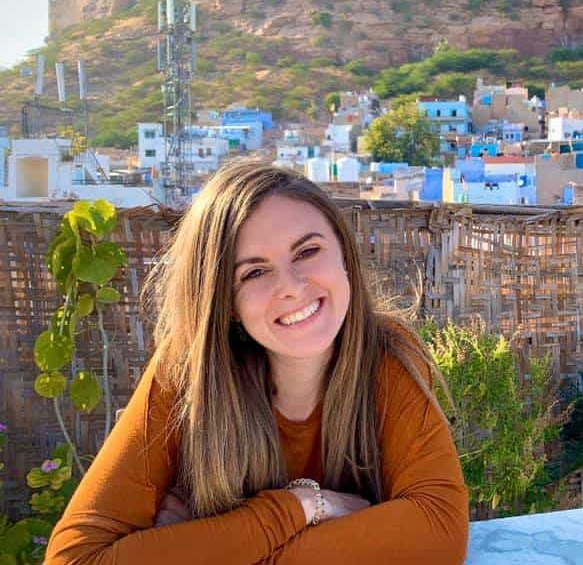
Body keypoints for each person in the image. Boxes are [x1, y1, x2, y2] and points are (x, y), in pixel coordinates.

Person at [45, 161, 469, 564]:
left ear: (345, 254)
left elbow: (440, 531)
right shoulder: (186, 371)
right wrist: (305, 506)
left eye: (307, 251)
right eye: (253, 273)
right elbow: (77, 558)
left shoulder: (386, 357)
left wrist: (205, 544)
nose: (292, 287)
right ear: (225, 303)